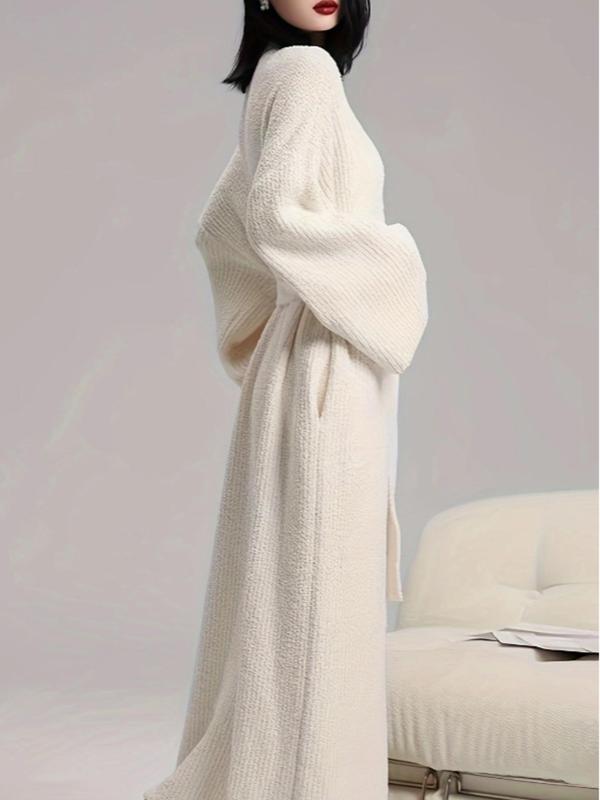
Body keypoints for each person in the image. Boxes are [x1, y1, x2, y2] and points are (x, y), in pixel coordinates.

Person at [143, 1, 428, 798]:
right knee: (317, 601)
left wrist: (265, 333)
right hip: (326, 368)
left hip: (306, 360)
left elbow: (222, 225)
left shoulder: (281, 72)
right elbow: (271, 215)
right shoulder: (304, 71)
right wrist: (398, 263)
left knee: (293, 594)